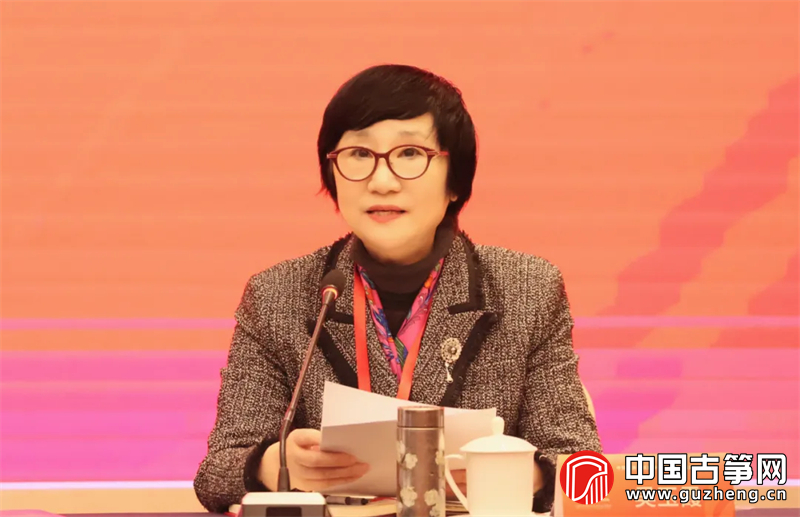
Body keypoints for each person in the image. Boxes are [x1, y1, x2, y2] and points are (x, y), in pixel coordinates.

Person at [193, 64, 601, 514]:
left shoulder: (527, 289)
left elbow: (586, 471)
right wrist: (273, 465)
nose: (381, 181)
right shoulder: (278, 295)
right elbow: (216, 473)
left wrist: (517, 471)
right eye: (358, 154)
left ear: (455, 180)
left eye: (409, 153)